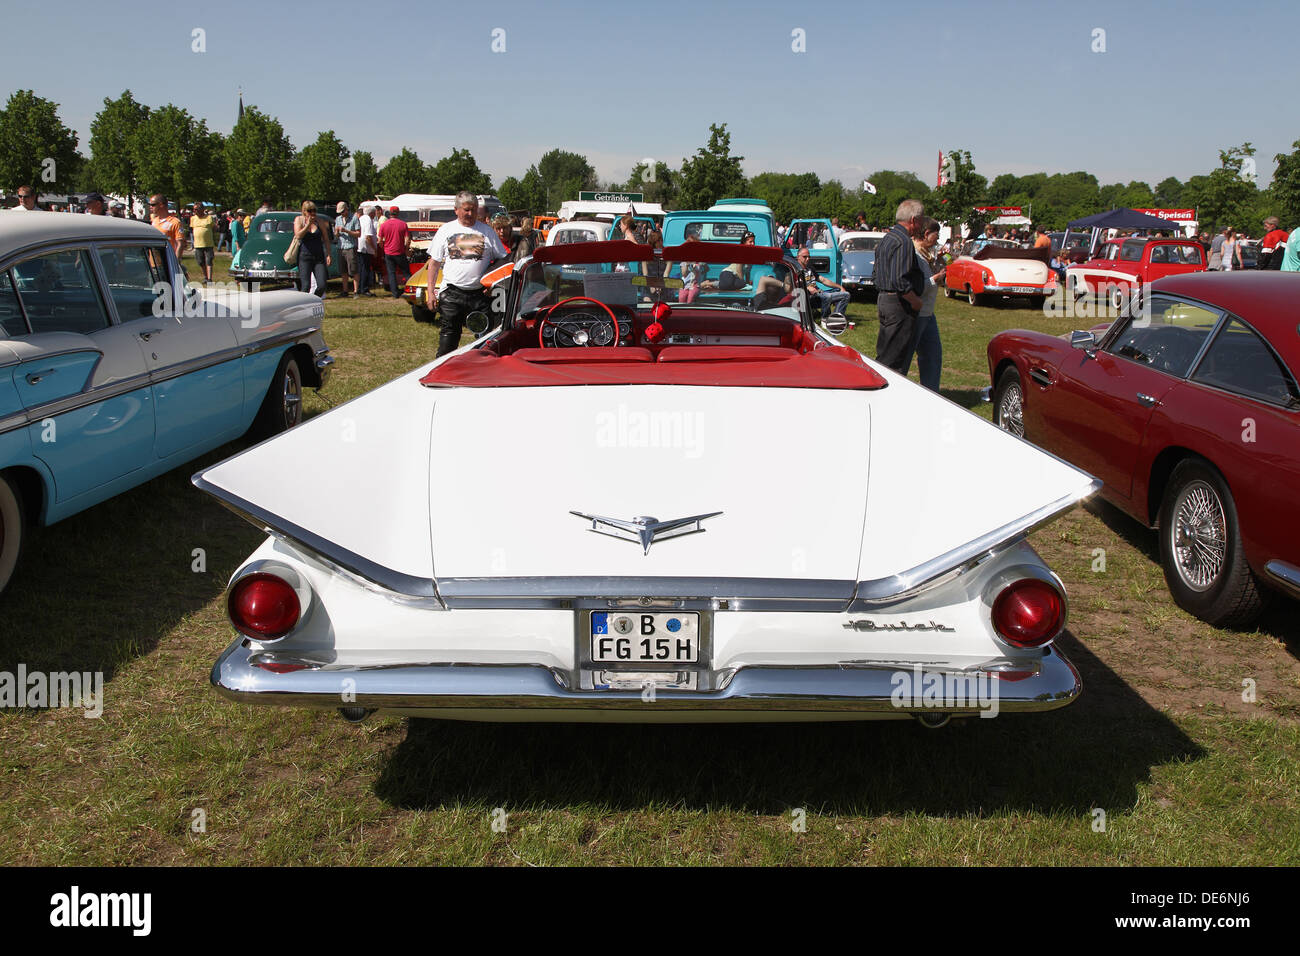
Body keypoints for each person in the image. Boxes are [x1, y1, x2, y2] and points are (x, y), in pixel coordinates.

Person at [426, 191, 507, 356]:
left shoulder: (487, 232)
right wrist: (430, 292)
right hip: (451, 294)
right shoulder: (445, 230)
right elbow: (433, 264)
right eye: (466, 210)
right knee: (448, 341)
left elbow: (503, 261)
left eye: (474, 210)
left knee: (486, 341)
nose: (470, 214)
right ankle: (443, 373)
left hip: (480, 295)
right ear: (456, 210)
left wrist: (493, 283)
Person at [874, 199, 927, 375]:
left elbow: (876, 273)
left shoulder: (887, 238)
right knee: (893, 359)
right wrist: (915, 301)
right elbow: (899, 280)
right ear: (913, 220)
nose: (922, 224)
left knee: (886, 353)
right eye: (921, 220)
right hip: (898, 304)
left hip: (886, 300)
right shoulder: (903, 241)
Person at [910, 217, 947, 392]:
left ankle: (931, 393)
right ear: (926, 234)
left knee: (933, 356)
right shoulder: (914, 255)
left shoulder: (926, 255)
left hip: (928, 313)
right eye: (935, 236)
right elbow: (914, 287)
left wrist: (939, 264)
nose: (937, 241)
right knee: (906, 356)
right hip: (915, 314)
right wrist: (935, 279)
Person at [794, 247, 850, 318]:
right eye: (805, 257)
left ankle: (835, 318)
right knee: (827, 296)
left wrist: (840, 287)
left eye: (809, 257)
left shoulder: (810, 268)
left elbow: (823, 280)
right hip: (808, 297)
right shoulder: (794, 269)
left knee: (845, 294)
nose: (807, 259)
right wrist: (807, 287)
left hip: (818, 294)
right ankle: (825, 319)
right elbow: (793, 284)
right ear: (798, 257)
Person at [293, 200, 332, 298]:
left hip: (319, 257)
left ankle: (314, 300)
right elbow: (298, 235)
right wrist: (307, 225)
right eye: (310, 211)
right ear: (304, 211)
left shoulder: (319, 221)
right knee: (306, 286)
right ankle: (302, 305)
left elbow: (326, 239)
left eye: (314, 210)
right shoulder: (299, 220)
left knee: (322, 285)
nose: (313, 213)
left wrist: (328, 254)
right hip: (304, 256)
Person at [377, 205, 411, 297]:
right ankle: (410, 290)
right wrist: (406, 248)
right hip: (400, 252)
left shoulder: (384, 225)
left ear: (390, 213)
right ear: (398, 213)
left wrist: (383, 248)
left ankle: (395, 293)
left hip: (388, 252)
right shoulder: (403, 224)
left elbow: (379, 240)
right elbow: (407, 239)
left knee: (391, 273)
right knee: (406, 272)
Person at [334, 201, 358, 297]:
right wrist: (337, 232)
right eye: (340, 212)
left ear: (346, 209)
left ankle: (356, 291)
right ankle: (345, 291)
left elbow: (358, 233)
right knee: (343, 271)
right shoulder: (338, 219)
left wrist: (346, 231)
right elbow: (336, 234)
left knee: (353, 270)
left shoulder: (354, 218)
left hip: (350, 247)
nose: (341, 214)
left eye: (342, 212)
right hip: (341, 247)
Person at [355, 203, 378, 296]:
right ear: (371, 213)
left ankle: (361, 287)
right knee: (365, 269)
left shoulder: (361, 218)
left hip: (360, 247)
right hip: (366, 248)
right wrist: (374, 249)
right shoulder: (368, 220)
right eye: (374, 213)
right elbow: (368, 237)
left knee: (361, 268)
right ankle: (364, 289)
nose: (375, 215)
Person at [190, 203, 216, 282]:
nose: (194, 211)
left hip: (208, 244)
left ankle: (209, 278)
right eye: (194, 209)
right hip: (198, 244)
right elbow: (192, 229)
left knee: (209, 261)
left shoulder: (209, 218)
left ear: (202, 209)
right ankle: (205, 276)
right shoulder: (193, 218)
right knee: (200, 262)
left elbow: (213, 228)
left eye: (196, 209)